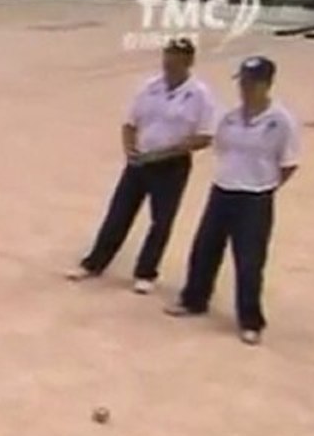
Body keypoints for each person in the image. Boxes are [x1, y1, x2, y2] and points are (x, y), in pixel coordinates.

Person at [165, 56, 302, 346]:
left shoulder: (280, 121)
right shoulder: (229, 117)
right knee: (205, 248)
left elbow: (288, 163)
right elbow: (222, 149)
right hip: (223, 190)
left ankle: (250, 320)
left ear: (266, 84)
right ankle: (194, 299)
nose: (245, 89)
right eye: (242, 83)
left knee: (249, 261)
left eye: (251, 84)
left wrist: (265, 185)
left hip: (255, 197)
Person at [67, 38, 216, 294]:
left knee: (161, 220)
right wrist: (129, 149)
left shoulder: (200, 95)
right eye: (167, 57)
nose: (169, 63)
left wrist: (167, 152)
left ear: (189, 61)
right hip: (139, 160)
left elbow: (205, 136)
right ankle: (94, 263)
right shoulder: (149, 87)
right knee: (119, 213)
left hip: (171, 164)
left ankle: (146, 272)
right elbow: (130, 122)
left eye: (176, 59)